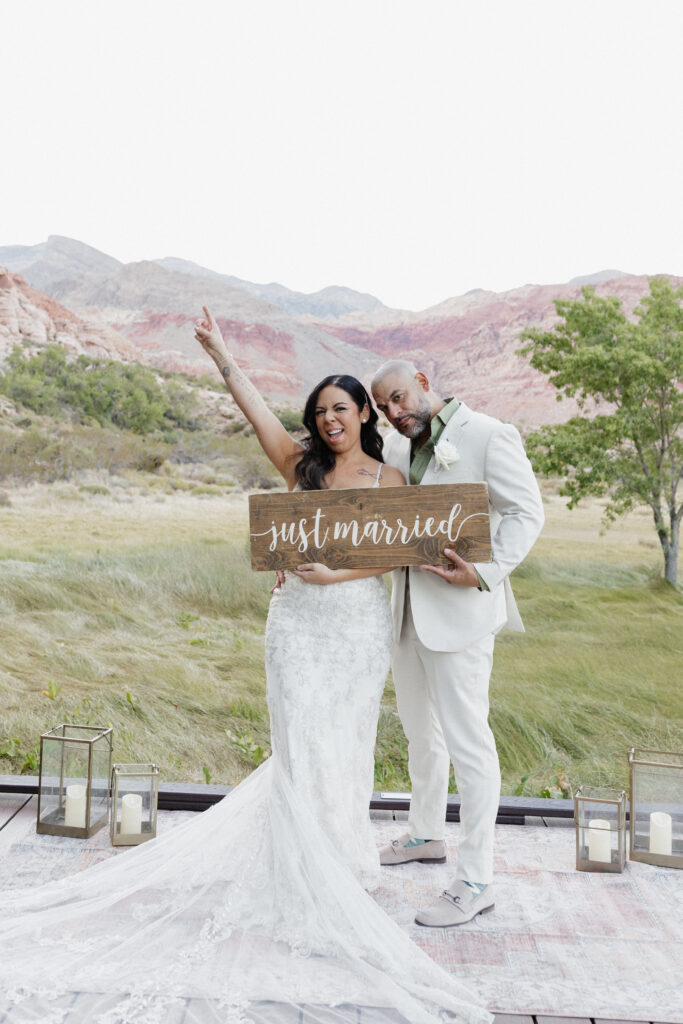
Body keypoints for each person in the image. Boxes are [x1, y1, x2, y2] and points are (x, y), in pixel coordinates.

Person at [0, 316, 492, 1024]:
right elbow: (254, 409)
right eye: (319, 412)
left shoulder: (389, 476)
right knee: (299, 747)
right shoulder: (299, 467)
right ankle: (296, 877)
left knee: (344, 748)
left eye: (341, 409)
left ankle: (339, 863)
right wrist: (221, 353)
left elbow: (402, 552)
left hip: (356, 629)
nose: (328, 420)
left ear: (364, 414)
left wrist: (337, 574)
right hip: (294, 628)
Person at [371, 359, 544, 929]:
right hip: (406, 613)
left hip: (461, 615)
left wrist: (484, 572)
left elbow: (526, 512)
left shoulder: (490, 435)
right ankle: (425, 833)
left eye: (399, 398)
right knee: (421, 734)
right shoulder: (398, 448)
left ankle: (476, 880)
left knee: (470, 744)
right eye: (385, 407)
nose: (395, 413)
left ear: (423, 383)